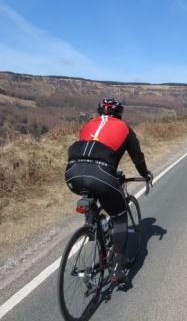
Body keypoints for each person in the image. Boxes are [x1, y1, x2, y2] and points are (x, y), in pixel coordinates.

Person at [65, 98, 152, 283]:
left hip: (72, 173)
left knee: (95, 189)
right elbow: (137, 158)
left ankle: (93, 224)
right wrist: (145, 174)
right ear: (119, 113)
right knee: (120, 218)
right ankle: (118, 267)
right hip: (101, 175)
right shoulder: (125, 128)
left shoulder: (89, 124)